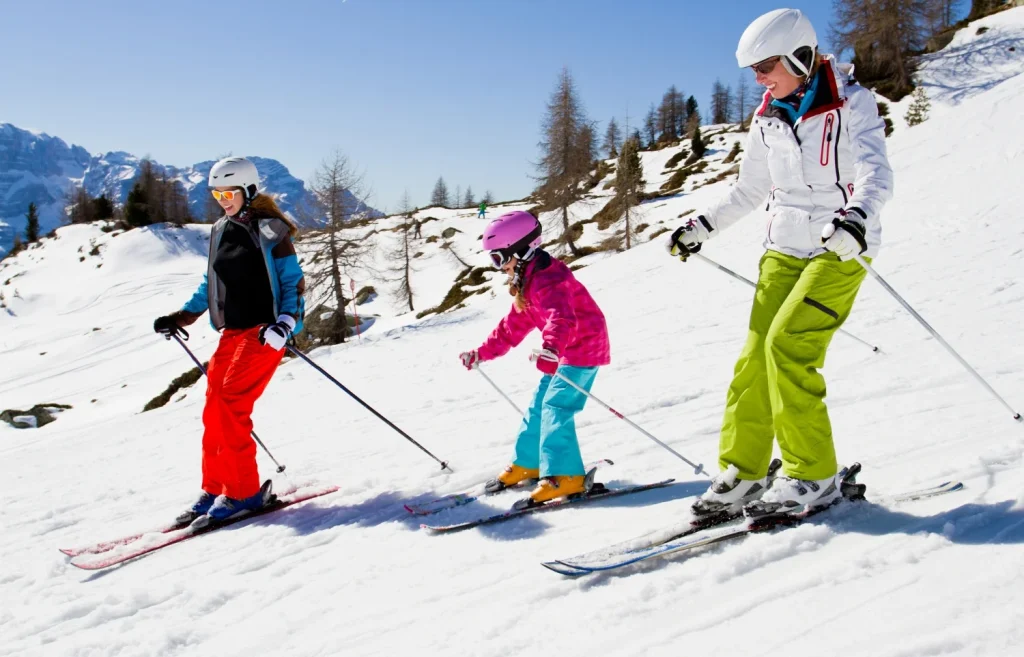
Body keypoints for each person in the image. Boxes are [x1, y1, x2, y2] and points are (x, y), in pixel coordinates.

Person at [666, 8, 893, 518]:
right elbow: (750, 188)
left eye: (766, 65)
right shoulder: (767, 116)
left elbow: (877, 173)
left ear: (801, 55)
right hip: (783, 248)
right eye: (754, 70)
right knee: (753, 359)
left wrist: (857, 217)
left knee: (787, 347)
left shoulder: (852, 104)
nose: (759, 78)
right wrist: (702, 225)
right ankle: (743, 473)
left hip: (840, 246)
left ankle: (813, 475)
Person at [153, 157, 306, 525]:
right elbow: (212, 283)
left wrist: (286, 323)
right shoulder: (222, 228)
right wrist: (183, 316)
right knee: (213, 408)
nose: (222, 200)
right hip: (232, 333)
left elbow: (293, 282)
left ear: (249, 191)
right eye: (217, 193)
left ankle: (244, 493)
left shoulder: (272, 231)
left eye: (229, 193)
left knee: (231, 403)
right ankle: (216, 486)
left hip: (263, 333)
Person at [459, 211, 610, 504]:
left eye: (500, 258)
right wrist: (482, 353)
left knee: (556, 405)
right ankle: (529, 463)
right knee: (540, 405)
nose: (499, 267)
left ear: (522, 251)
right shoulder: (528, 281)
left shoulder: (551, 280)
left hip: (582, 347)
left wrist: (552, 349)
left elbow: (561, 317)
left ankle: (566, 477)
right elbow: (511, 327)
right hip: (562, 351)